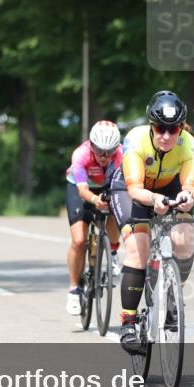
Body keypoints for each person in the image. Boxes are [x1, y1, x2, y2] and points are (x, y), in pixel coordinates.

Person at [108, 91, 194, 350]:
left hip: (170, 187)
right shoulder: (135, 140)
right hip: (132, 190)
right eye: (161, 128)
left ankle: (174, 296)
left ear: (181, 128)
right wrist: (153, 201)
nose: (166, 136)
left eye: (173, 130)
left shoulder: (190, 145)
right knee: (139, 250)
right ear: (151, 125)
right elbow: (135, 189)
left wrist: (188, 196)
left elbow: (191, 185)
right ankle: (128, 323)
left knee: (184, 239)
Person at [64, 120, 124, 315]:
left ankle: (113, 253)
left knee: (116, 211)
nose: (105, 156)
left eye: (110, 151)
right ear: (91, 144)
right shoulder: (81, 155)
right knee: (79, 241)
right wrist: (95, 200)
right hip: (80, 189)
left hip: (106, 187)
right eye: (100, 151)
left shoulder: (122, 155)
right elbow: (82, 190)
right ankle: (73, 290)